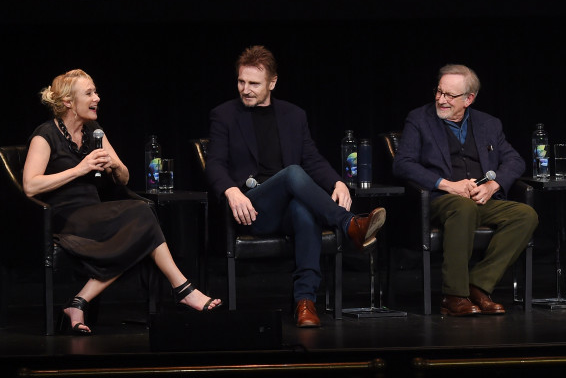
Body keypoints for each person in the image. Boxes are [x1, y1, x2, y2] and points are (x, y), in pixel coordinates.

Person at [23, 69, 221, 335]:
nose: (97, 97)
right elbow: (30, 185)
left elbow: (124, 178)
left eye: (96, 91)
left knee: (141, 220)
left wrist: (114, 164)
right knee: (142, 218)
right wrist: (80, 169)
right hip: (64, 217)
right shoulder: (45, 135)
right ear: (68, 102)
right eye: (89, 93)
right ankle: (184, 290)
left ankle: (78, 302)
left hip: (96, 214)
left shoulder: (94, 131)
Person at [205, 45, 386, 328]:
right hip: (252, 207)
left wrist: (337, 181)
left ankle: (305, 302)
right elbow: (214, 163)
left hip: (287, 210)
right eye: (241, 81)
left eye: (254, 83)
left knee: (304, 209)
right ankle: (351, 225)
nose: (246, 89)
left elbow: (312, 159)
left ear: (272, 83)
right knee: (292, 174)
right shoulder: (224, 115)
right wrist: (231, 191)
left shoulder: (293, 115)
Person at [393, 64, 538, 316]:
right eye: (439, 92)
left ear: (469, 99)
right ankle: (454, 295)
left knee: (526, 215)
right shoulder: (419, 119)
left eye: (450, 95)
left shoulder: (489, 124)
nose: (441, 99)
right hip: (443, 200)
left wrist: (493, 185)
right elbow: (402, 164)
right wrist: (448, 185)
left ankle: (479, 285)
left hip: (480, 200)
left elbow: (515, 160)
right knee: (463, 206)